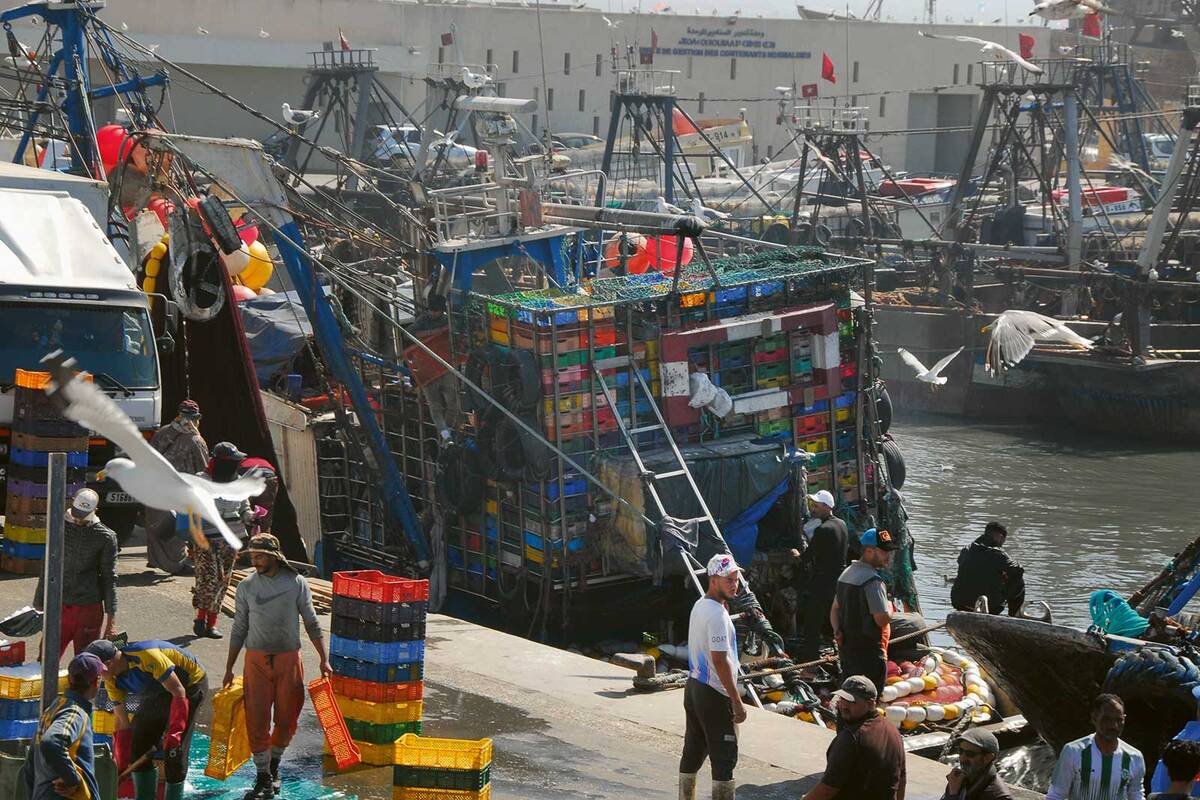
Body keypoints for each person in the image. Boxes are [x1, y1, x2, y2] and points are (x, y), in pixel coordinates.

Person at [223, 534, 332, 799]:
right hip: (256, 660)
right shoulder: (247, 586)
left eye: (260, 556)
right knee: (256, 719)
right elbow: (239, 627)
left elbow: (311, 621)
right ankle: (262, 776)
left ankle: (274, 765)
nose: (255, 561)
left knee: (287, 718)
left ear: (274, 556)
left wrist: (323, 658)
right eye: (252, 557)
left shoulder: (296, 583)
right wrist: (229, 666)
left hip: (288, 659)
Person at [84, 638, 207, 800]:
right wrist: (121, 764)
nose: (96, 677)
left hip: (188, 686)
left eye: (96, 671)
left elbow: (179, 692)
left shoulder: (147, 657)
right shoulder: (111, 680)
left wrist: (174, 733)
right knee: (138, 745)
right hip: (159, 690)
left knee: (173, 752)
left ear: (109, 663)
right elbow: (121, 721)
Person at [679, 553, 747, 800]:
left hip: (694, 686)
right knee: (724, 757)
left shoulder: (700, 605)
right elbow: (719, 660)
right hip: (713, 693)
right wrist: (736, 700)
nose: (734, 584)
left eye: (736, 579)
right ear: (713, 580)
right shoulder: (717, 616)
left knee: (693, 750)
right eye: (728, 579)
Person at [32, 488, 118, 658]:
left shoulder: (106, 537)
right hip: (58, 605)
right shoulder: (58, 529)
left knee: (87, 664)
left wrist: (111, 620)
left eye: (83, 517)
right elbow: (47, 566)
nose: (78, 520)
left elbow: (110, 578)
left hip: (89, 610)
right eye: (76, 515)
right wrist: (39, 602)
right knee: (45, 659)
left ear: (95, 511)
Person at [803, 674, 906, 800]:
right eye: (842, 699)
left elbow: (827, 789)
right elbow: (901, 780)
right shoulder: (893, 731)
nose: (844, 706)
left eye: (852, 702)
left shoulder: (852, 737)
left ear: (870, 703)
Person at [192, 441, 255, 639]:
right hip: (206, 539)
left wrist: (251, 516)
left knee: (223, 581)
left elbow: (244, 507)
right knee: (208, 580)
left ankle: (211, 623)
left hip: (231, 538)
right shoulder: (201, 480)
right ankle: (200, 618)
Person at [23, 653, 106, 800]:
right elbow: (52, 741)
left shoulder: (53, 708)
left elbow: (30, 766)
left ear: (69, 679)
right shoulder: (74, 713)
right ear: (96, 681)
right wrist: (72, 780)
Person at [830, 528, 898, 693]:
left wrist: (837, 630)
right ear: (869, 551)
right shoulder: (873, 581)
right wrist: (890, 607)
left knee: (849, 694)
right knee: (869, 699)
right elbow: (881, 619)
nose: (888, 557)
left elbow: (834, 610)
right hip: (869, 654)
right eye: (884, 552)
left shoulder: (845, 574)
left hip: (847, 651)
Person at [146, 400, 208, 575]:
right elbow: (203, 469)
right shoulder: (196, 441)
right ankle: (176, 565)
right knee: (176, 528)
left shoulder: (162, 433)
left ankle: (155, 560)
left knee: (155, 525)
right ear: (196, 418)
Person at [1046, 693, 1146, 800]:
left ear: (1124, 719)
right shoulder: (1073, 751)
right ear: (1094, 717)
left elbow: (1137, 795)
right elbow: (1055, 795)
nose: (1114, 726)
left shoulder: (1134, 757)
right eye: (1107, 719)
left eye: (1118, 720)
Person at [795, 489, 850, 661]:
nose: (813, 508)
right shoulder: (841, 524)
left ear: (826, 507)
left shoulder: (823, 530)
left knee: (812, 623)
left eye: (816, 506)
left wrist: (796, 555)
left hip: (823, 583)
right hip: (839, 581)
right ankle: (839, 654)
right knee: (833, 621)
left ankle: (809, 663)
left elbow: (806, 557)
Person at [408, 293, 459, 444]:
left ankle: (448, 431)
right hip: (427, 369)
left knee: (453, 401)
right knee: (435, 406)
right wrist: (435, 333)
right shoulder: (424, 320)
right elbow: (410, 333)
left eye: (436, 311)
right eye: (432, 310)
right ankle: (444, 435)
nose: (433, 313)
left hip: (444, 367)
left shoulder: (447, 319)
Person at [950, 522, 1025, 617]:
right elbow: (1019, 570)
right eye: (1003, 540)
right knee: (1019, 582)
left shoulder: (966, 550)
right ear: (1000, 537)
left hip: (959, 603)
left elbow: (964, 563)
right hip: (991, 607)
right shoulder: (998, 554)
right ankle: (1014, 617)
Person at [941, 729, 1012, 800]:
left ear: (988, 758)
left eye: (970, 754)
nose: (962, 758)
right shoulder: (959, 779)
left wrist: (953, 794)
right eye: (960, 751)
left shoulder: (999, 797)